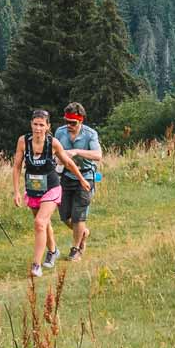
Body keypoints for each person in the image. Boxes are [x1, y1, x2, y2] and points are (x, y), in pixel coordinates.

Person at [11, 108, 92, 277]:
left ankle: (36, 265)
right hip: (33, 188)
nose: (38, 128)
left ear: (48, 126)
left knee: (40, 222)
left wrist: (82, 179)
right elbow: (17, 166)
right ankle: (53, 250)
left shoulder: (53, 143)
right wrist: (16, 191)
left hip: (52, 188)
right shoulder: (23, 141)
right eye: (35, 124)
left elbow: (68, 163)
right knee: (44, 223)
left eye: (41, 125)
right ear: (31, 124)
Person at [56, 103, 102, 261]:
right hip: (66, 176)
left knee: (79, 216)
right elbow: (56, 152)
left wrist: (76, 152)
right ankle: (83, 232)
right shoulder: (60, 133)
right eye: (66, 121)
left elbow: (98, 155)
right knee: (64, 216)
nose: (69, 126)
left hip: (86, 177)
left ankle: (76, 249)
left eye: (73, 123)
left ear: (81, 121)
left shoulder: (90, 134)